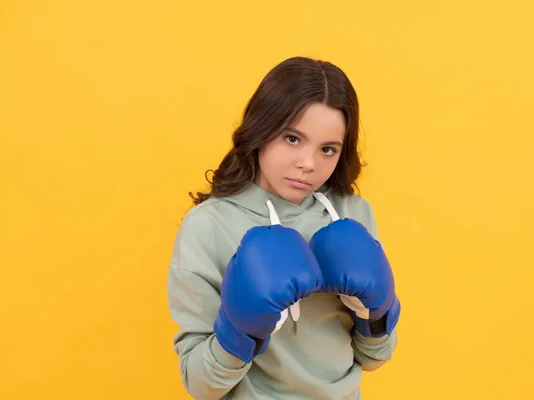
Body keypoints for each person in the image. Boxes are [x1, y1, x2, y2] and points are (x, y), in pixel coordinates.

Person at [167, 56, 401, 399]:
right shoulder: (209, 226)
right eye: (292, 138)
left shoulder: (351, 212)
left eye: (327, 149)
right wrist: (240, 330)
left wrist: (373, 314)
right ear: (262, 128)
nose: (308, 164)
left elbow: (375, 358)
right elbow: (201, 384)